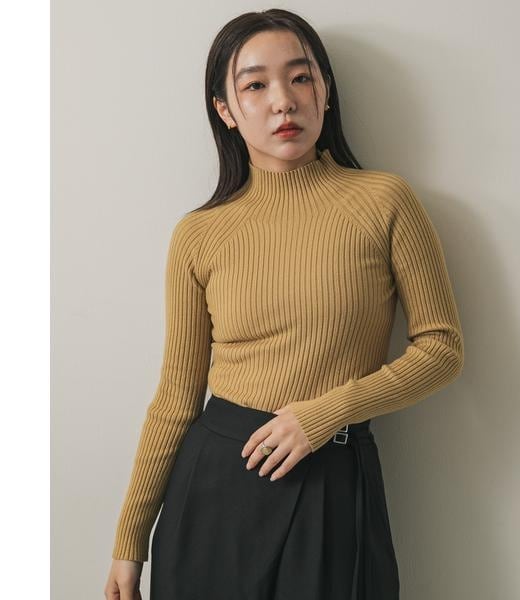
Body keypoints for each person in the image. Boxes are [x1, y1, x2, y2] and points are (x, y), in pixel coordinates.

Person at [104, 8, 464, 600]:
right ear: (225, 109)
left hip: (332, 472)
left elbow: (441, 349)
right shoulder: (199, 234)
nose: (283, 101)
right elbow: (175, 398)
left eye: (300, 77)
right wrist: (129, 542)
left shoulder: (384, 201)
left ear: (326, 89)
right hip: (214, 484)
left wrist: (325, 414)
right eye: (255, 85)